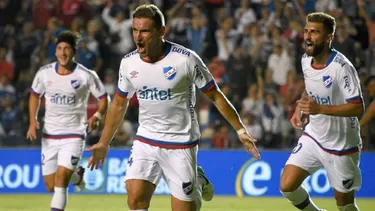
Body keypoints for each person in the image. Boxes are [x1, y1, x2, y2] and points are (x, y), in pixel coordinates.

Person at [86, 4, 260, 211]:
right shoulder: (128, 63)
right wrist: (104, 142)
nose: (138, 37)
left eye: (145, 31)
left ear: (161, 32)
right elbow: (119, 103)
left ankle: (197, 177)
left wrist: (240, 130)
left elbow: (216, 96)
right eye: (135, 30)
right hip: (146, 140)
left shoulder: (185, 60)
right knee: (135, 200)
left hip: (181, 143)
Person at [280, 12, 364, 211]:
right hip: (314, 136)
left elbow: (358, 106)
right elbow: (310, 89)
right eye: (306, 31)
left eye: (315, 32)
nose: (308, 36)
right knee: (287, 186)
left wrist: (320, 109)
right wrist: (301, 106)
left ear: (329, 38)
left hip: (342, 146)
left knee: (344, 205)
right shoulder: (305, 61)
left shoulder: (342, 68)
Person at [26, 31, 109, 211]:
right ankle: (77, 176)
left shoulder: (86, 75)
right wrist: (32, 121)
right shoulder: (44, 73)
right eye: (60, 49)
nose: (63, 53)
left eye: (67, 49)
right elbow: (34, 96)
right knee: (50, 185)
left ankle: (71, 177)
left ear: (73, 52)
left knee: (61, 179)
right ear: (55, 51)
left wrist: (97, 115)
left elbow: (104, 99)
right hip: (50, 136)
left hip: (74, 134)